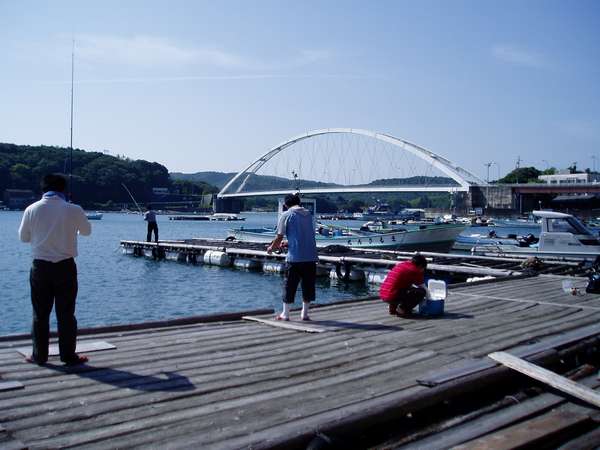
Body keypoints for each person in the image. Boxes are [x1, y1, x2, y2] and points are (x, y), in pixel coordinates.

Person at [18, 174, 91, 365]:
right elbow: (87, 231)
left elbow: (24, 238)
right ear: (64, 190)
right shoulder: (73, 209)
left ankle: (39, 356)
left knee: (40, 314)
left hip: (40, 267)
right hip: (65, 266)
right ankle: (67, 355)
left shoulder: (31, 209)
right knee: (66, 314)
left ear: (43, 189)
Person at [267, 193, 318, 321]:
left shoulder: (286, 215)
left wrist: (271, 248)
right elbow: (304, 235)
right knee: (308, 285)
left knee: (289, 285)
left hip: (294, 258)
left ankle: (285, 314)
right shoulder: (308, 215)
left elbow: (279, 237)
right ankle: (305, 314)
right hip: (311, 256)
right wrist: (288, 242)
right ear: (299, 202)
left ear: (285, 204)